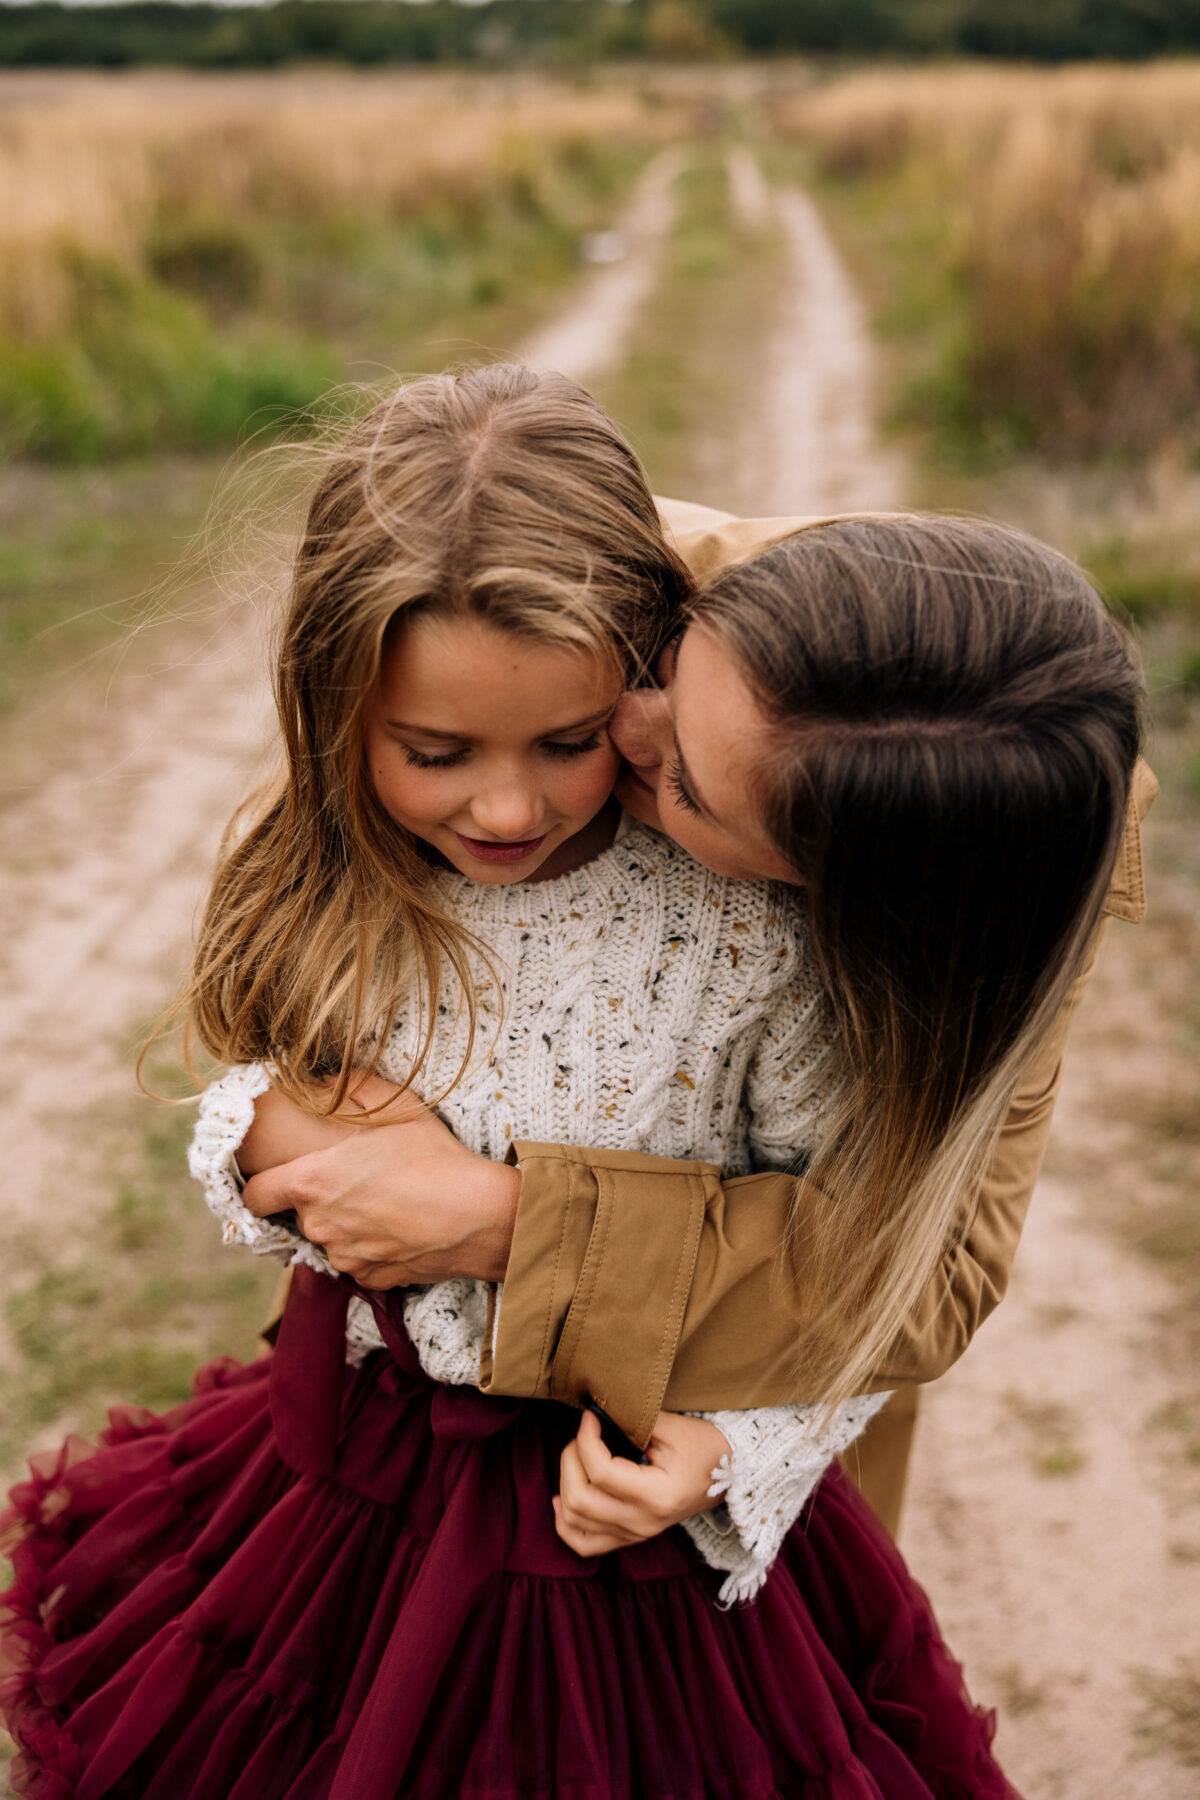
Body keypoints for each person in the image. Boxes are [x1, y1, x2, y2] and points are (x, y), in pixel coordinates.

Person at [0, 366, 1139, 1798]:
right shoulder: (482, 622)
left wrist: (729, 1444)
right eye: (436, 753)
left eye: (580, 748)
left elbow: (889, 1279)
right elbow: (264, 1069)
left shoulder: (811, 923)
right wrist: (273, 1140)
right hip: (355, 1482)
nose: (509, 806)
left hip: (625, 1550)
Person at [240, 495, 1156, 1535]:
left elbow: (922, 1278)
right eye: (668, 666)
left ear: (818, 897)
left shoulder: (993, 875)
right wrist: (311, 1144)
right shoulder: (515, 594)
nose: (622, 727)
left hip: (704, 1426)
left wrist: (513, 1227)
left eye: (683, 783)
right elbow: (298, 943)